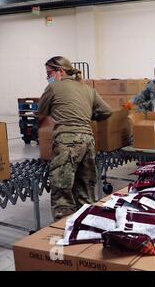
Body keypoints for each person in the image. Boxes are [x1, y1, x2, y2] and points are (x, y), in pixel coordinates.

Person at [38, 56, 112, 221]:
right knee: (85, 188)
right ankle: (87, 227)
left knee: (62, 190)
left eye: (49, 73)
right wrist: (87, 116)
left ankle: (64, 230)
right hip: (88, 141)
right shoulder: (87, 89)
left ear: (60, 71)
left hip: (67, 142)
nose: (47, 77)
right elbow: (107, 111)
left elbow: (41, 112)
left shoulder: (54, 87)